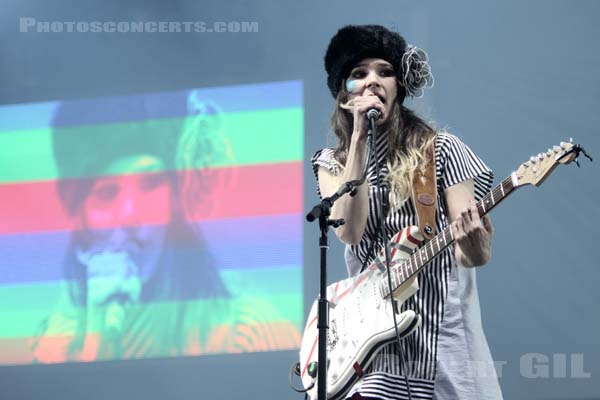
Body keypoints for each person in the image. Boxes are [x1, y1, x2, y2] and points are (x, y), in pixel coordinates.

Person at [32, 92, 299, 363]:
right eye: (106, 192)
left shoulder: (245, 330)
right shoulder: (54, 345)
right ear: (81, 217)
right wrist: (94, 341)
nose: (129, 215)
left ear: (174, 198)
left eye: (150, 183)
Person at [311, 25, 502, 399]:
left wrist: (475, 239)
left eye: (385, 72)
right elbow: (349, 231)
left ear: (399, 86)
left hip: (438, 332)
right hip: (370, 341)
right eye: (358, 74)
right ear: (343, 95)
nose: (372, 82)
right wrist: (359, 142)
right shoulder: (331, 163)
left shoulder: (442, 150)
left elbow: (471, 255)